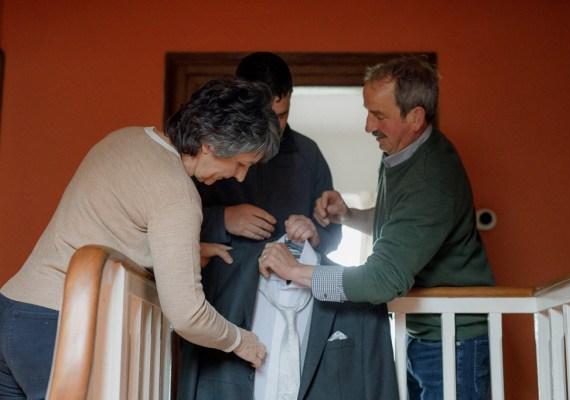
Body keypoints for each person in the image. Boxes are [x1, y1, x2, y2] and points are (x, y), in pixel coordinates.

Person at [0, 77, 280, 399]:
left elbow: (109, 222)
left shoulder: (125, 139)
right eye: (241, 163)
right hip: (58, 325)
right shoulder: (178, 195)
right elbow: (188, 315)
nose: (240, 175)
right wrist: (240, 340)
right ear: (211, 145)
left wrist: (185, 250)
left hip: (13, 307)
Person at [259, 56, 496, 399]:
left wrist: (296, 271)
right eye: (368, 111)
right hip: (423, 333)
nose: (368, 125)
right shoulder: (404, 152)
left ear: (416, 117)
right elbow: (401, 223)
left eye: (379, 115)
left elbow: (382, 279)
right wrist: (349, 216)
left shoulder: (431, 179)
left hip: (454, 340)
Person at [176, 52, 399, 399]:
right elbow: (174, 226)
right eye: (267, 116)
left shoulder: (309, 155)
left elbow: (330, 237)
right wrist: (224, 219)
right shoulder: (209, 149)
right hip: (225, 295)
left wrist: (315, 232)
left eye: (282, 115)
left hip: (299, 301)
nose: (275, 127)